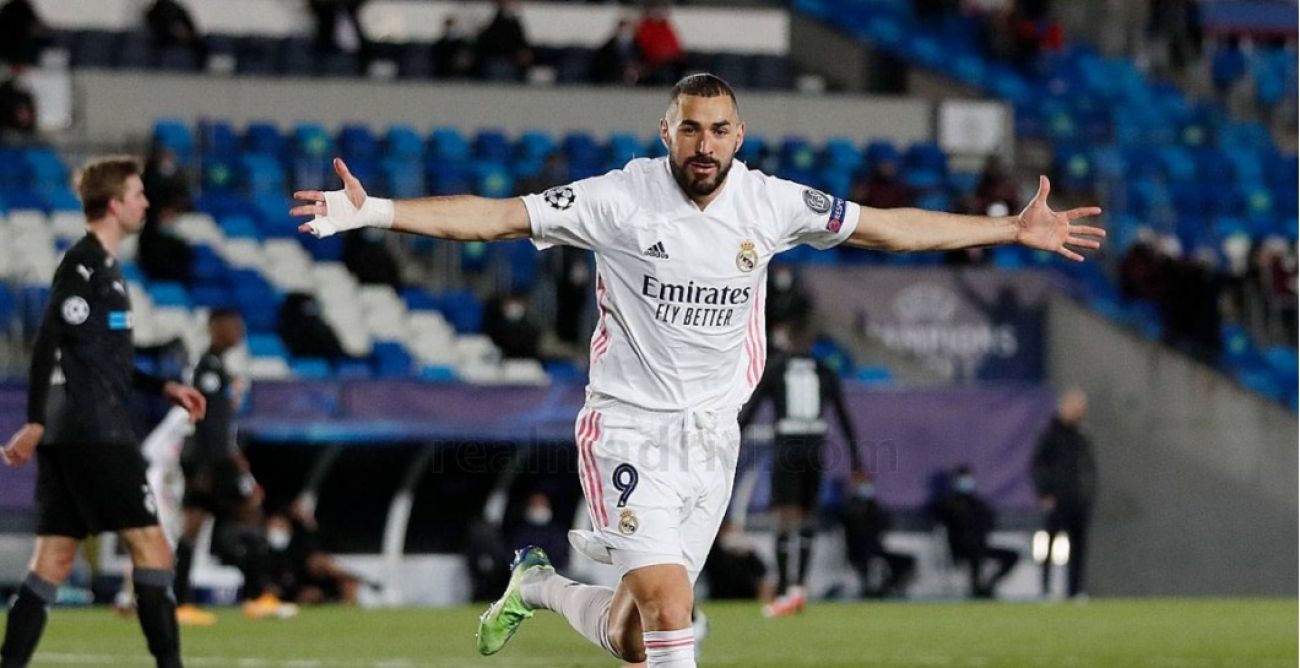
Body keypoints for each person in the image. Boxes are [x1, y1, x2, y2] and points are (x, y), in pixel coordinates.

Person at [289, 73, 1103, 667]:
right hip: (627, 428)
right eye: (689, 129)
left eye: (717, 130)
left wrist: (1007, 229)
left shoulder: (772, 203)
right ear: (665, 132)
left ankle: (535, 587)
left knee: (635, 637)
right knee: (674, 609)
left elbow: (889, 229)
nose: (703, 144)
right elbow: (497, 218)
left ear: (738, 136)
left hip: (712, 440)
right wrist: (377, 210)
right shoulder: (618, 199)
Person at [1, 157, 207, 668]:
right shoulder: (85, 264)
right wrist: (33, 420)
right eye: (137, 194)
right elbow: (48, 339)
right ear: (115, 205)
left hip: (72, 431)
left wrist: (163, 386)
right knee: (153, 549)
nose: (146, 202)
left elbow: (102, 359)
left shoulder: (107, 268)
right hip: (95, 430)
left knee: (53, 559)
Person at [173, 309, 297, 624]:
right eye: (232, 326)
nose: (238, 332)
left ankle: (180, 602)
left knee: (192, 529)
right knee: (252, 515)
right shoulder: (209, 369)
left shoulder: (214, 367)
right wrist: (222, 463)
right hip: (212, 462)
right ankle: (257, 596)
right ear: (215, 328)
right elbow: (208, 424)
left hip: (205, 461)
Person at [737, 325, 863, 617]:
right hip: (814, 450)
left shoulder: (776, 368)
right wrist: (856, 460)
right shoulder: (825, 370)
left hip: (787, 449)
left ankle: (784, 588)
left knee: (785, 517)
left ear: (789, 339)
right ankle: (800, 588)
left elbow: (752, 408)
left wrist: (732, 440)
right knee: (807, 517)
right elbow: (844, 417)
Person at [1031, 388, 1095, 599]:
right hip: (1057, 500)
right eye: (1077, 407)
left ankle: (1074, 591)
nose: (1080, 412)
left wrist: (1089, 494)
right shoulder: (1051, 434)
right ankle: (1045, 589)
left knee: (1078, 547)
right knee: (1049, 544)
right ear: (1065, 406)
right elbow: (1037, 465)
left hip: (1078, 500)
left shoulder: (1081, 434)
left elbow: (1088, 467)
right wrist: (1045, 493)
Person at [934, 465, 1020, 599]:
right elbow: (944, 520)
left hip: (979, 545)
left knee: (1012, 555)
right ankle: (976, 589)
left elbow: (989, 520)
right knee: (974, 552)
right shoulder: (948, 503)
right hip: (960, 548)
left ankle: (988, 585)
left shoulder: (977, 503)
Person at [842, 472, 915, 599]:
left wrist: (871, 505)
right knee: (868, 562)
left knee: (907, 561)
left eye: (868, 484)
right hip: (858, 552)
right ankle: (868, 589)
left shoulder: (874, 505)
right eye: (863, 484)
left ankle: (889, 588)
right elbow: (852, 526)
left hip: (876, 549)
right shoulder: (850, 506)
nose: (866, 488)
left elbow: (885, 524)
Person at [474, 0, 532, 82]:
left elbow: (520, 41)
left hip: (509, 60)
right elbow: (488, 40)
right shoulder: (493, 18)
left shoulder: (512, 20)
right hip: (497, 59)